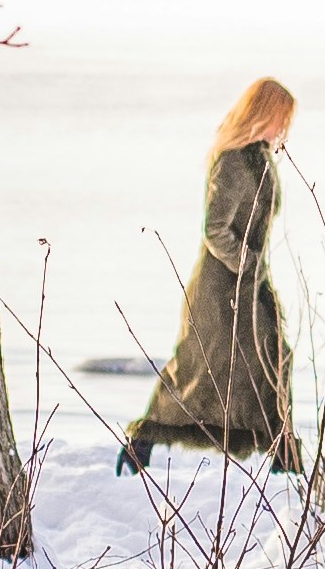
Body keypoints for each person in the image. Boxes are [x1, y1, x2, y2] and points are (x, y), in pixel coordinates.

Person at [117, 76, 307, 474]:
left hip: (247, 282)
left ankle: (280, 451)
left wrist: (254, 273)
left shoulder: (258, 156)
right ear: (262, 115)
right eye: (280, 119)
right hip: (220, 289)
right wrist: (247, 264)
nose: (283, 129)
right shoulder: (235, 160)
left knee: (272, 359)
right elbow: (215, 228)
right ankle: (142, 442)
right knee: (197, 366)